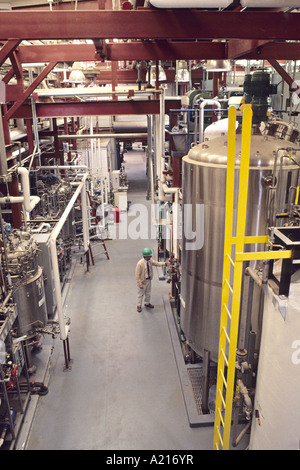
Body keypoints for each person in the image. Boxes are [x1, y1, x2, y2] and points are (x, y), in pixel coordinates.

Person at [135, 248, 169, 312]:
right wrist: (140, 283)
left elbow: (156, 263)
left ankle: (147, 303)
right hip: (142, 281)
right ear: (146, 256)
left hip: (148, 280)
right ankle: (138, 306)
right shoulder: (140, 264)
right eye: (150, 255)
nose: (151, 256)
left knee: (148, 293)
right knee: (140, 294)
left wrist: (165, 263)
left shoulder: (150, 261)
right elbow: (137, 275)